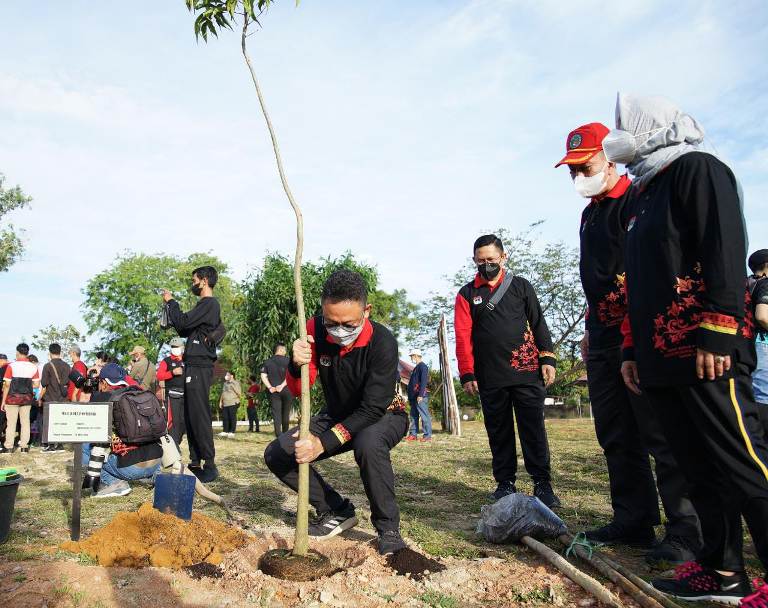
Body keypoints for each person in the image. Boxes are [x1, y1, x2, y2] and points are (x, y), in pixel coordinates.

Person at [608, 93, 768, 604]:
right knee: (696, 467)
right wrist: (631, 347)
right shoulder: (640, 192)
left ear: (652, 127)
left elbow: (724, 245)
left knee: (742, 461)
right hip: (661, 357)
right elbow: (637, 279)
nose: (619, 137)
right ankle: (722, 573)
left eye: (625, 126)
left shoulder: (698, 169)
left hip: (708, 349)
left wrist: (719, 327)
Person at [556, 122, 701, 564]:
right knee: (615, 432)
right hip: (600, 334)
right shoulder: (589, 214)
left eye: (586, 165)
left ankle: (685, 531)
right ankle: (634, 518)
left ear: (612, 158)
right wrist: (587, 326)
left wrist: (632, 335)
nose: (578, 175)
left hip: (640, 331)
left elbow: (647, 274)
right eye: (572, 169)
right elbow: (596, 281)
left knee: (659, 431)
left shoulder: (636, 201)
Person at [264, 269, 409, 555]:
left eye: (348, 324)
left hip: (383, 415)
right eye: (332, 323)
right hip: (338, 414)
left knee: (368, 443)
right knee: (278, 453)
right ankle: (336, 510)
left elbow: (371, 408)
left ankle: (389, 529)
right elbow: (297, 389)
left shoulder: (383, 343)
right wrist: (295, 364)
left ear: (366, 310)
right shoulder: (314, 329)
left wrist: (323, 442)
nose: (340, 331)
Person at [454, 234, 561, 508]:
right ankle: (505, 484)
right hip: (489, 376)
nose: (486, 265)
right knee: (498, 430)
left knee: (532, 428)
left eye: (491, 259)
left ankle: (542, 484)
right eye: (480, 261)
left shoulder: (521, 287)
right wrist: (467, 373)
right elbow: (462, 336)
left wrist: (547, 358)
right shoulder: (467, 294)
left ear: (504, 257)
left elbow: (539, 323)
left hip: (526, 370)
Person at [163, 265, 222, 483]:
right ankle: (196, 461)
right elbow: (182, 328)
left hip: (200, 366)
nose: (193, 283)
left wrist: (171, 302)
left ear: (204, 280)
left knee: (199, 413)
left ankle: (210, 463)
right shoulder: (205, 306)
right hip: (193, 365)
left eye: (194, 279)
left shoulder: (209, 303)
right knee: (190, 414)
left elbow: (184, 321)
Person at [82, 363, 162, 498]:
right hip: (156, 461)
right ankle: (154, 476)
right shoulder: (139, 392)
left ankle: (113, 484)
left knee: (83, 446)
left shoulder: (103, 398)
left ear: (104, 383)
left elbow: (90, 427)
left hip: (131, 469)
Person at [1, 343, 40, 453]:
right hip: (26, 399)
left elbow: (7, 385)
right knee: (25, 422)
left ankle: (8, 447)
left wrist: (3, 401)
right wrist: (27, 387)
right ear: (27, 353)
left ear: (17, 353)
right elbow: (36, 385)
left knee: (11, 423)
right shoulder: (33, 367)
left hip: (11, 399)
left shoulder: (11, 366)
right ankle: (24, 447)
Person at [749, 249, 768, 434]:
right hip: (763, 343)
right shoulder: (766, 283)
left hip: (748, 342)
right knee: (765, 396)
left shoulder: (748, 283)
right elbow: (762, 316)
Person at [39, 343, 70, 453]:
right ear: (60, 352)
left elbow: (43, 383)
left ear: (50, 353)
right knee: (61, 421)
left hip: (50, 398)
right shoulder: (67, 366)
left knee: (49, 421)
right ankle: (60, 445)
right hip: (63, 398)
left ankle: (51, 445)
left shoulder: (48, 366)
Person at [156, 337, 185, 447]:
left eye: (177, 346)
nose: (174, 349)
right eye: (173, 347)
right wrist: (172, 372)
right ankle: (174, 447)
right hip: (172, 395)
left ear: (182, 347)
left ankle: (178, 441)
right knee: (173, 422)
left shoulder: (186, 361)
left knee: (183, 422)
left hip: (186, 396)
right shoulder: (166, 361)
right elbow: (159, 375)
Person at [261, 344, 293, 437]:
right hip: (287, 390)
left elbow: (263, 376)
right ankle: (286, 435)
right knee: (286, 413)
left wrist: (270, 387)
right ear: (282, 350)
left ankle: (278, 437)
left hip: (273, 391)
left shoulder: (267, 362)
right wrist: (282, 386)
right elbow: (290, 375)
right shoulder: (288, 361)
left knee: (276, 414)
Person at [405, 349, 432, 442]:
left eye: (411, 356)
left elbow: (424, 381)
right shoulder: (416, 368)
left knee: (424, 416)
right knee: (413, 415)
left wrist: (420, 395)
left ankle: (427, 436)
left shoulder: (423, 367)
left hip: (420, 396)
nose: (411, 358)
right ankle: (413, 434)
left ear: (416, 356)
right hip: (414, 396)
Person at [218, 371, 241, 438]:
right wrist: (220, 401)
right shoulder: (225, 383)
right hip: (225, 403)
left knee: (232, 417)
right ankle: (225, 431)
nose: (226, 376)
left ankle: (232, 431)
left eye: (227, 375)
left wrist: (232, 386)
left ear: (232, 376)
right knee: (225, 417)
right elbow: (223, 393)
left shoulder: (236, 383)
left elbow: (239, 393)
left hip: (233, 403)